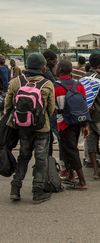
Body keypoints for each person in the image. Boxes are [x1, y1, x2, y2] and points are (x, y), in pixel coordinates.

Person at [6, 53, 55, 204]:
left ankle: (15, 188)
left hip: (22, 127)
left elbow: (7, 105)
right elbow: (51, 109)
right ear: (42, 66)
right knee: (41, 159)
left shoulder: (16, 82)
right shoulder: (47, 84)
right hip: (42, 128)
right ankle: (37, 191)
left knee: (23, 156)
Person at [54, 60, 90, 190]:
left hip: (64, 123)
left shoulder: (56, 86)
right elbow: (84, 104)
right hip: (78, 121)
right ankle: (70, 175)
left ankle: (82, 181)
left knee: (71, 151)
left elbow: (53, 107)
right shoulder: (78, 84)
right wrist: (85, 125)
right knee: (71, 148)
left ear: (60, 70)